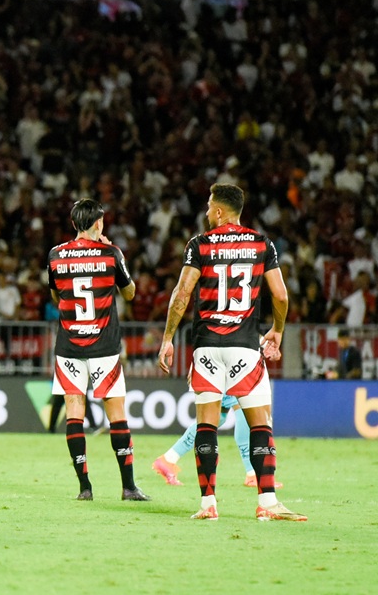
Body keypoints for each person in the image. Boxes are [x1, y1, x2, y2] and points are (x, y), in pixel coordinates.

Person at [158, 183, 305, 521]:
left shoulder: (199, 244)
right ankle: (267, 502)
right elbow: (281, 296)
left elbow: (182, 293)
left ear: (219, 211)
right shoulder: (262, 243)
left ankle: (208, 504)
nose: (206, 212)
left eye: (209, 207)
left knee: (206, 425)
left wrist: (168, 338)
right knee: (259, 423)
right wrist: (277, 330)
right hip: (244, 347)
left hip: (207, 348)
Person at [47, 198, 148, 501]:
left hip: (69, 345)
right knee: (116, 415)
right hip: (104, 345)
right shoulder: (111, 253)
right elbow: (130, 294)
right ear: (99, 223)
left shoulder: (55, 255)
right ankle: (128, 487)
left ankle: (84, 488)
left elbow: (56, 296)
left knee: (74, 414)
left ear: (74, 223)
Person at [154, 339, 285, 489]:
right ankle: (252, 474)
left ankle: (168, 459)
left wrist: (267, 344)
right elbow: (234, 330)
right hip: (227, 366)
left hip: (219, 365)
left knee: (216, 419)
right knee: (241, 413)